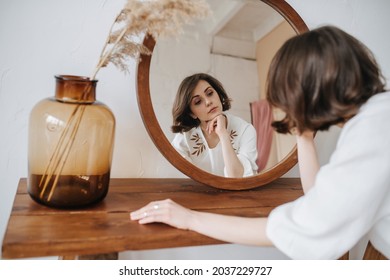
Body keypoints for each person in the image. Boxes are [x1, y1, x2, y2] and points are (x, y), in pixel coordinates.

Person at [130, 25, 390, 259]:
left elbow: (310, 225)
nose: (287, 108)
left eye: (289, 96)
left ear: (310, 90)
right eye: (197, 101)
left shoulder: (373, 131)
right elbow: (319, 203)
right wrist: (305, 135)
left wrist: (190, 218)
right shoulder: (376, 119)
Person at [170, 73, 258, 177]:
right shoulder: (183, 139)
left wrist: (223, 134)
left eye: (210, 93)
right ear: (192, 113)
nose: (208, 102)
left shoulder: (245, 130)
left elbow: (236, 178)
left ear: (218, 94)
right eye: (198, 101)